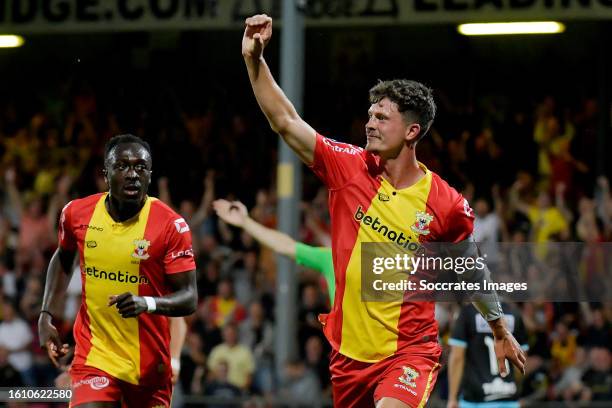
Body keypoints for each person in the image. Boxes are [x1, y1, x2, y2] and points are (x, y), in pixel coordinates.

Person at [242, 15, 526, 407]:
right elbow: (286, 120)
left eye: (381, 118)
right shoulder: (348, 167)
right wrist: (254, 61)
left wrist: (498, 328)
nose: (369, 124)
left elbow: (471, 270)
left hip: (410, 351)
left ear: (412, 132)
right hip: (349, 356)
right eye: (370, 115)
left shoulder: (446, 204)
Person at [38, 134, 197, 408]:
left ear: (150, 174)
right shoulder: (76, 214)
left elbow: (189, 297)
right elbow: (64, 259)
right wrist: (46, 314)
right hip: (95, 356)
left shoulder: (171, 225)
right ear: (106, 174)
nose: (132, 174)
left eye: (140, 167)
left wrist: (145, 303)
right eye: (122, 166)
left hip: (148, 366)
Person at [213, 199, 334, 304]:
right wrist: (245, 222)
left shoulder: (332, 258)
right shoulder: (332, 258)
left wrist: (245, 222)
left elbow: (286, 246)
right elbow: (286, 245)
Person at [447, 303, 529, 408]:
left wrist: (452, 398)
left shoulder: (467, 313)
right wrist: (515, 391)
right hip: (508, 397)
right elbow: (521, 363)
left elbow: (457, 357)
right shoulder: (514, 313)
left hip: (475, 400)